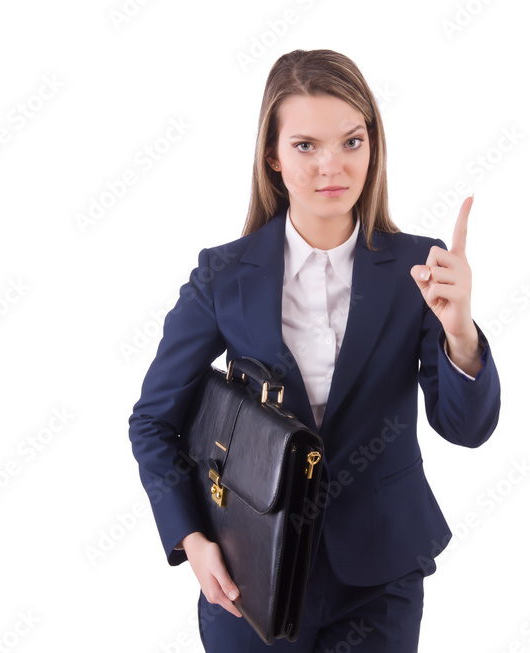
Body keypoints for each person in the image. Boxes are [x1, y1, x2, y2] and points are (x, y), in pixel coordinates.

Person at [128, 49, 500, 651]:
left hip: (380, 577)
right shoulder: (224, 276)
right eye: (306, 146)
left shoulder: (421, 269)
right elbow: (152, 421)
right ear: (273, 156)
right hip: (249, 574)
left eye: (351, 142)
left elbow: (467, 428)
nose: (332, 166)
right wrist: (192, 541)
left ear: (372, 146)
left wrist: (461, 332)